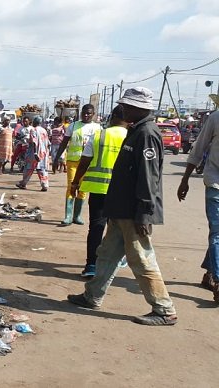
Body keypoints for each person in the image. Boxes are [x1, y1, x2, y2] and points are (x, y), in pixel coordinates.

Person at [67, 87, 177, 326]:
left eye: (127, 105)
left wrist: (145, 213)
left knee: (141, 258)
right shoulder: (135, 130)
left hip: (133, 211)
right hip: (120, 209)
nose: (123, 109)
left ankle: (164, 309)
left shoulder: (146, 133)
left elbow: (149, 178)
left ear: (140, 108)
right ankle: (91, 296)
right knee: (106, 254)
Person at [69, 105, 129, 277]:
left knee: (96, 227)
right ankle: (116, 261)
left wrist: (75, 183)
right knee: (117, 229)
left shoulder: (100, 134)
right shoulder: (131, 137)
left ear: (113, 117)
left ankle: (91, 266)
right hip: (121, 191)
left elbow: (84, 161)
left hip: (98, 188)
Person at [177, 95, 219, 303]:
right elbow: (199, 147)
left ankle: (210, 272)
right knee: (217, 233)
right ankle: (218, 280)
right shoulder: (216, 118)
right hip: (216, 184)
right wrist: (184, 179)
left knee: (217, 233)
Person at [54, 104, 101, 225]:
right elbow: (64, 143)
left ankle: (77, 215)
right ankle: (68, 216)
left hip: (88, 163)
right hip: (73, 161)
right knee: (71, 186)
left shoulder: (98, 128)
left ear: (93, 114)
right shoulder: (73, 126)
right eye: (84, 113)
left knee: (83, 188)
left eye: (89, 113)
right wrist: (56, 158)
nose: (86, 115)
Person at [16, 116, 50, 190]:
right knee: (41, 169)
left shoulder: (33, 130)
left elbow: (34, 142)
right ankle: (44, 185)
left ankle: (23, 183)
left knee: (28, 168)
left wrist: (35, 153)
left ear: (35, 122)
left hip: (34, 152)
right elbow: (48, 142)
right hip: (43, 152)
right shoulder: (44, 130)